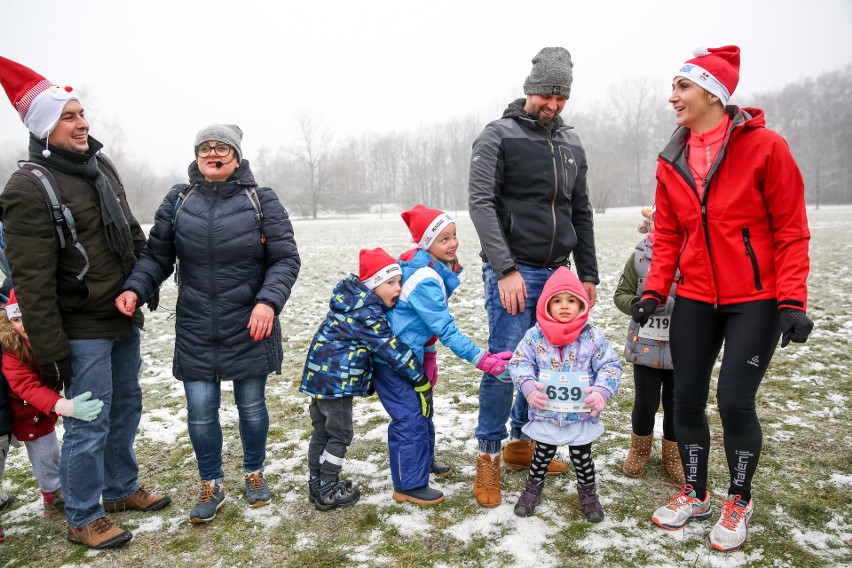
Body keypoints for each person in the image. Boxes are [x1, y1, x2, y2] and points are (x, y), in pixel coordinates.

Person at [632, 46, 813, 552]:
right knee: (684, 401)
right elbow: (667, 233)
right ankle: (695, 491)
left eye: (682, 87)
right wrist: (653, 290)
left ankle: (739, 496)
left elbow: (792, 231)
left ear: (713, 93)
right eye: (674, 87)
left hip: (754, 300)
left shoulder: (767, 148)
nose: (673, 97)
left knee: (734, 400)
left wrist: (792, 301)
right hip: (693, 297)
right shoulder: (672, 158)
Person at [0, 56, 171, 549]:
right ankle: (82, 515)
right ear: (43, 128)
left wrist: (141, 283)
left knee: (127, 408)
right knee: (88, 419)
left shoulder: (100, 167)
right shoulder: (28, 188)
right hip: (78, 328)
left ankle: (118, 489)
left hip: (119, 316)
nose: (83, 124)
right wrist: (52, 353)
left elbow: (132, 236)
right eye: (69, 117)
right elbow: (30, 281)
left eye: (82, 114)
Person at [116, 123, 301, 524]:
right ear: (196, 154)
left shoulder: (261, 200)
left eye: (221, 148)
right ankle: (211, 484)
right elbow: (156, 256)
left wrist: (268, 302)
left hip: (250, 322)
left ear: (236, 155)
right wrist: (136, 287)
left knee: (251, 407)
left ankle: (254, 473)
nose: (212, 154)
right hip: (197, 325)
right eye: (205, 148)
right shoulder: (179, 200)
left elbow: (285, 259)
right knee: (200, 411)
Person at [467, 46, 599, 507]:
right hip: (513, 271)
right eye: (547, 94)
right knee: (505, 364)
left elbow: (580, 211)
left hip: (559, 274)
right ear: (530, 89)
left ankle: (522, 444)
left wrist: (588, 274)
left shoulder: (572, 143)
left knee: (542, 364)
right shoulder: (497, 136)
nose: (554, 105)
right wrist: (504, 269)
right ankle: (487, 456)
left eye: (561, 98)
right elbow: (480, 203)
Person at [374, 204, 511, 506]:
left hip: (410, 356)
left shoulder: (430, 269)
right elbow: (445, 328)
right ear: (427, 244)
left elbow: (418, 324)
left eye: (454, 236)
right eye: (444, 239)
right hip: (393, 360)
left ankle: (422, 461)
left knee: (423, 409)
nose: (453, 243)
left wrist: (428, 354)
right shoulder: (424, 278)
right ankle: (407, 484)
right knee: (409, 417)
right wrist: (483, 360)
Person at [300, 248, 424, 511]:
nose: (398, 288)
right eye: (390, 283)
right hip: (335, 383)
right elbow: (391, 348)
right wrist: (418, 375)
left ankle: (317, 481)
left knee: (322, 430)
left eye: (399, 282)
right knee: (340, 433)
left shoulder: (350, 303)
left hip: (318, 378)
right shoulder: (366, 313)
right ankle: (328, 486)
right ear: (372, 284)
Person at [509, 267, 621, 522]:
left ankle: (588, 494)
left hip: (579, 414)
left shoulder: (593, 337)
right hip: (547, 412)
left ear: (581, 304)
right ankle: (531, 490)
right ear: (546, 305)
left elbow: (610, 366)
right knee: (542, 455)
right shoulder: (534, 336)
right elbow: (519, 362)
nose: (564, 306)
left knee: (583, 459)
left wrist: (602, 392)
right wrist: (527, 387)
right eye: (557, 301)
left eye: (571, 300)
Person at [0, 289, 106, 517]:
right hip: (23, 412)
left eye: (27, 318)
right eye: (16, 320)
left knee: (48, 452)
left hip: (39, 412)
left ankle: (54, 492)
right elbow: (26, 387)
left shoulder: (54, 337)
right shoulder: (12, 351)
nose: (23, 326)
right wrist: (63, 405)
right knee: (36, 453)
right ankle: (50, 494)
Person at [613, 208, 684, 484]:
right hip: (645, 345)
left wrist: (678, 307)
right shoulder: (638, 257)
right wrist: (637, 306)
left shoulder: (691, 254)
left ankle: (673, 455)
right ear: (651, 224)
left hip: (681, 347)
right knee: (646, 402)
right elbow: (621, 294)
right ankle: (639, 451)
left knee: (676, 403)